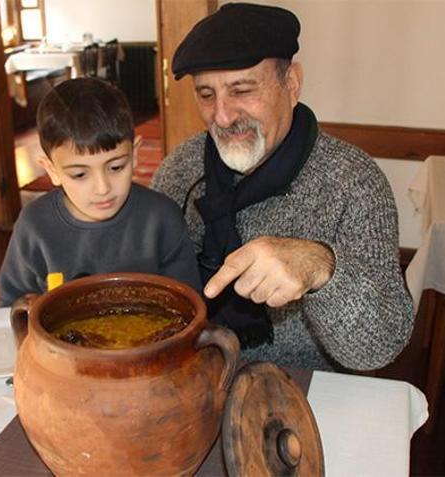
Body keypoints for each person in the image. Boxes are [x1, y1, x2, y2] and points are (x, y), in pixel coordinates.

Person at [151, 3, 414, 371]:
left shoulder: (354, 183)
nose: (222, 116)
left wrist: (322, 266)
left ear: (291, 84)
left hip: (305, 388)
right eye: (206, 94)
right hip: (194, 378)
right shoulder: (181, 169)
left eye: (242, 89)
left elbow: (379, 347)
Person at [0, 77, 200, 308]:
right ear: (51, 170)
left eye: (116, 167)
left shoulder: (162, 218)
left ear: (135, 154)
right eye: (80, 175)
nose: (103, 188)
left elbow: (188, 304)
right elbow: (9, 308)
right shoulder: (35, 225)